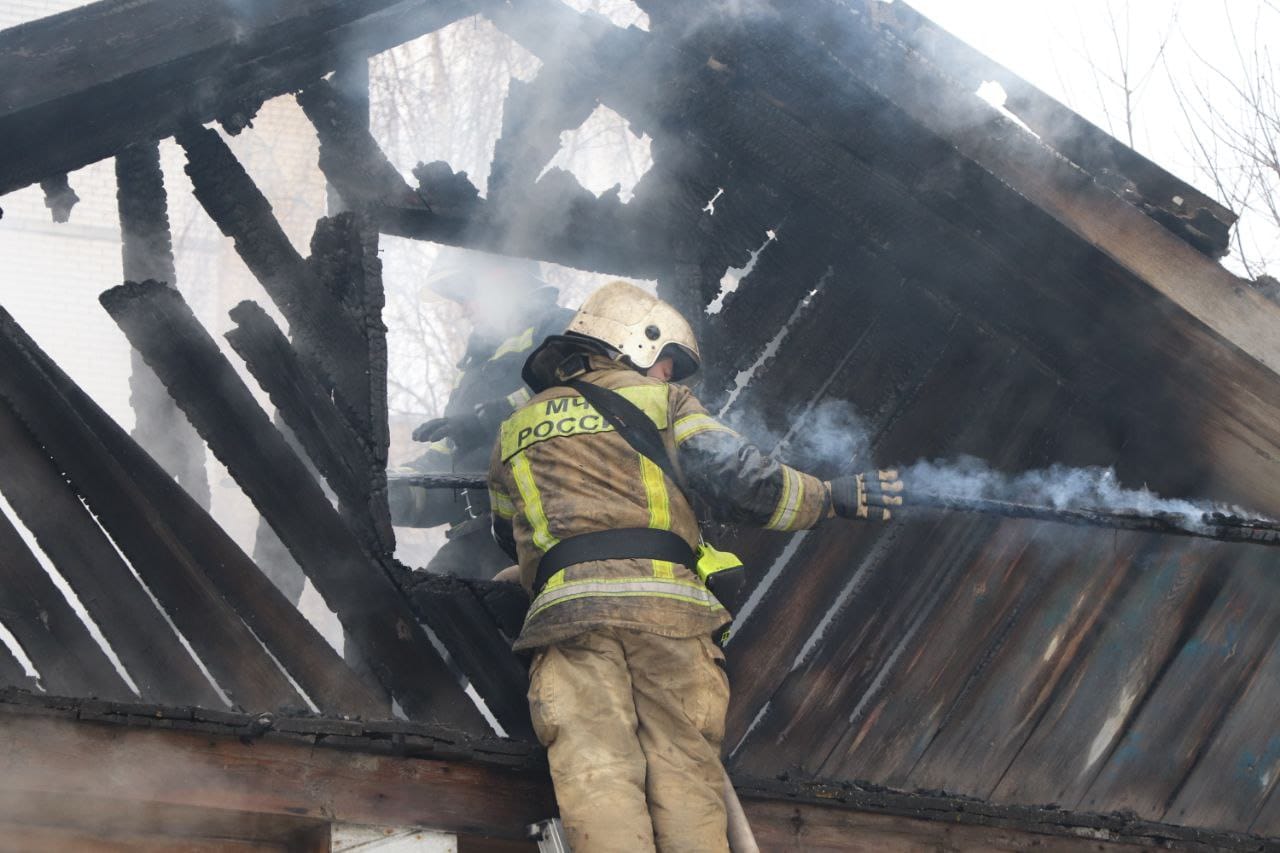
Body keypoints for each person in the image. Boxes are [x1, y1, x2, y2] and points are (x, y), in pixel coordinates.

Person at [486, 280, 904, 852]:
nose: (666, 377)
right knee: (683, 771)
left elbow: (507, 534)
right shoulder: (664, 403)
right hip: (669, 618)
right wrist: (828, 497)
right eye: (666, 363)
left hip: (569, 619)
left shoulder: (514, 428)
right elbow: (740, 480)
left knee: (596, 773)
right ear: (634, 344)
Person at [388, 248, 574, 580]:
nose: (463, 311)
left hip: (541, 528)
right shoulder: (473, 367)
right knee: (426, 613)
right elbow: (447, 457)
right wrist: (388, 488)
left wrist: (485, 420)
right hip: (475, 534)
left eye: (466, 296)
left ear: (503, 283)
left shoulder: (559, 326)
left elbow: (566, 393)